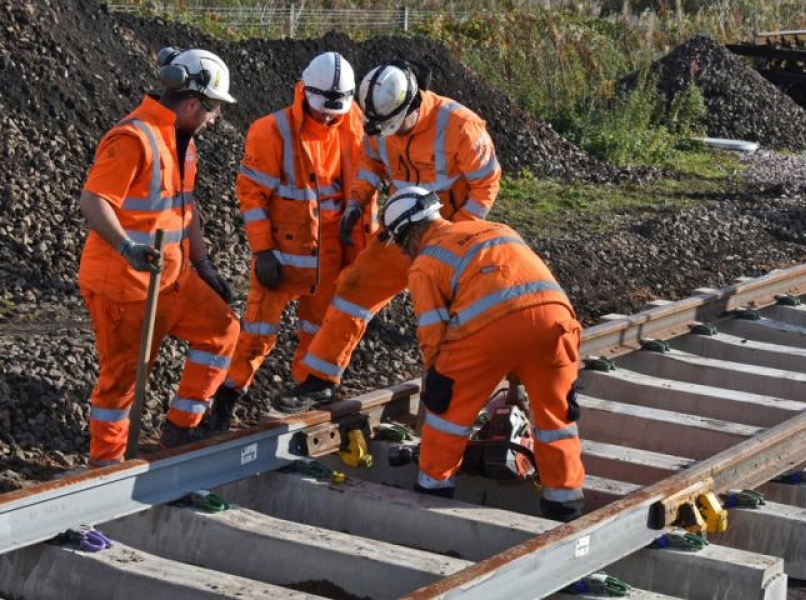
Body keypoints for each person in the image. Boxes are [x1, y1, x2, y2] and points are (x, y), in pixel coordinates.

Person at [277, 59, 502, 412]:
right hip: (402, 230)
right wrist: (356, 201)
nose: (391, 135)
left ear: (412, 105)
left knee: (451, 317)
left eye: (395, 127)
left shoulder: (460, 125)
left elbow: (486, 181)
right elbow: (372, 164)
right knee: (352, 289)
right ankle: (319, 380)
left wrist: (462, 234)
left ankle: (458, 386)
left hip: (450, 234)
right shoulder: (380, 120)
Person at [379, 186, 585, 522]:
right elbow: (522, 293)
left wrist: (437, 382)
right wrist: (518, 377)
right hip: (557, 323)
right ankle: (565, 506)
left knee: (448, 417)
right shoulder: (497, 228)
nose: (404, 254)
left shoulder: (424, 263)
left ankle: (433, 489)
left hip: (489, 330)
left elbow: (432, 331)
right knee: (557, 420)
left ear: (413, 232)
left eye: (402, 244)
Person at [78, 47, 240, 466]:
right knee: (123, 382)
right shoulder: (133, 137)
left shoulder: (181, 141)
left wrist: (202, 264)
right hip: (124, 282)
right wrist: (127, 247)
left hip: (170, 277)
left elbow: (185, 208)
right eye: (213, 109)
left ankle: (180, 429)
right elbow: (94, 200)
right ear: (192, 103)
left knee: (222, 330)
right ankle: (106, 465)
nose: (215, 118)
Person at [205, 52, 368, 430]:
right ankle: (225, 399)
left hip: (331, 250)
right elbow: (251, 195)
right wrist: (263, 251)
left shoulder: (354, 123)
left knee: (320, 330)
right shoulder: (271, 131)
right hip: (282, 249)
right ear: (304, 91)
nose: (329, 117)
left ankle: (307, 396)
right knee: (258, 333)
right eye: (323, 110)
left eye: (336, 111)